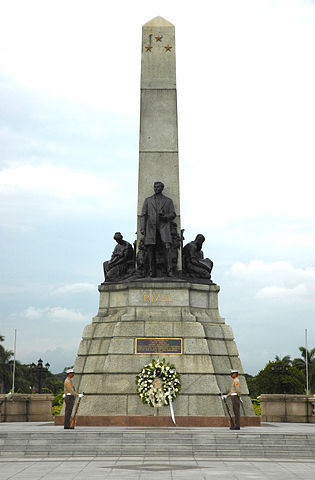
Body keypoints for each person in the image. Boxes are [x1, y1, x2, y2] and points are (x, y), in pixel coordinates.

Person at [140, 181, 176, 277]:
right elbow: (143, 215)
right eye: (155, 187)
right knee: (150, 249)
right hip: (151, 228)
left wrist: (165, 217)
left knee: (167, 248)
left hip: (164, 227)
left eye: (158, 187)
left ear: (162, 188)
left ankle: (169, 271)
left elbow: (173, 214)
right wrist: (142, 228)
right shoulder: (148, 200)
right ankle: (152, 272)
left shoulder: (168, 201)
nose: (156, 188)